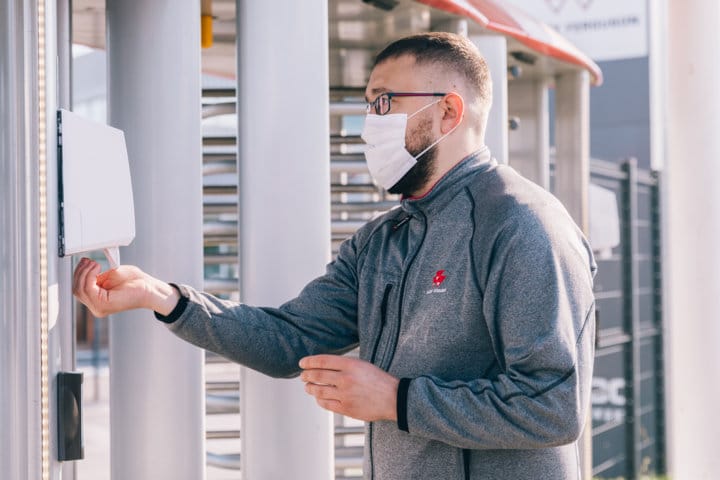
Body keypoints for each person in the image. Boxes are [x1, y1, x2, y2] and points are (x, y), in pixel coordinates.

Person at [73, 32, 597, 480]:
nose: (369, 122)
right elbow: (287, 339)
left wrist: (396, 400)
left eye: (384, 102)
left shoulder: (521, 225)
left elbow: (551, 407)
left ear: (449, 111)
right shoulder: (381, 240)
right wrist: (164, 298)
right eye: (369, 104)